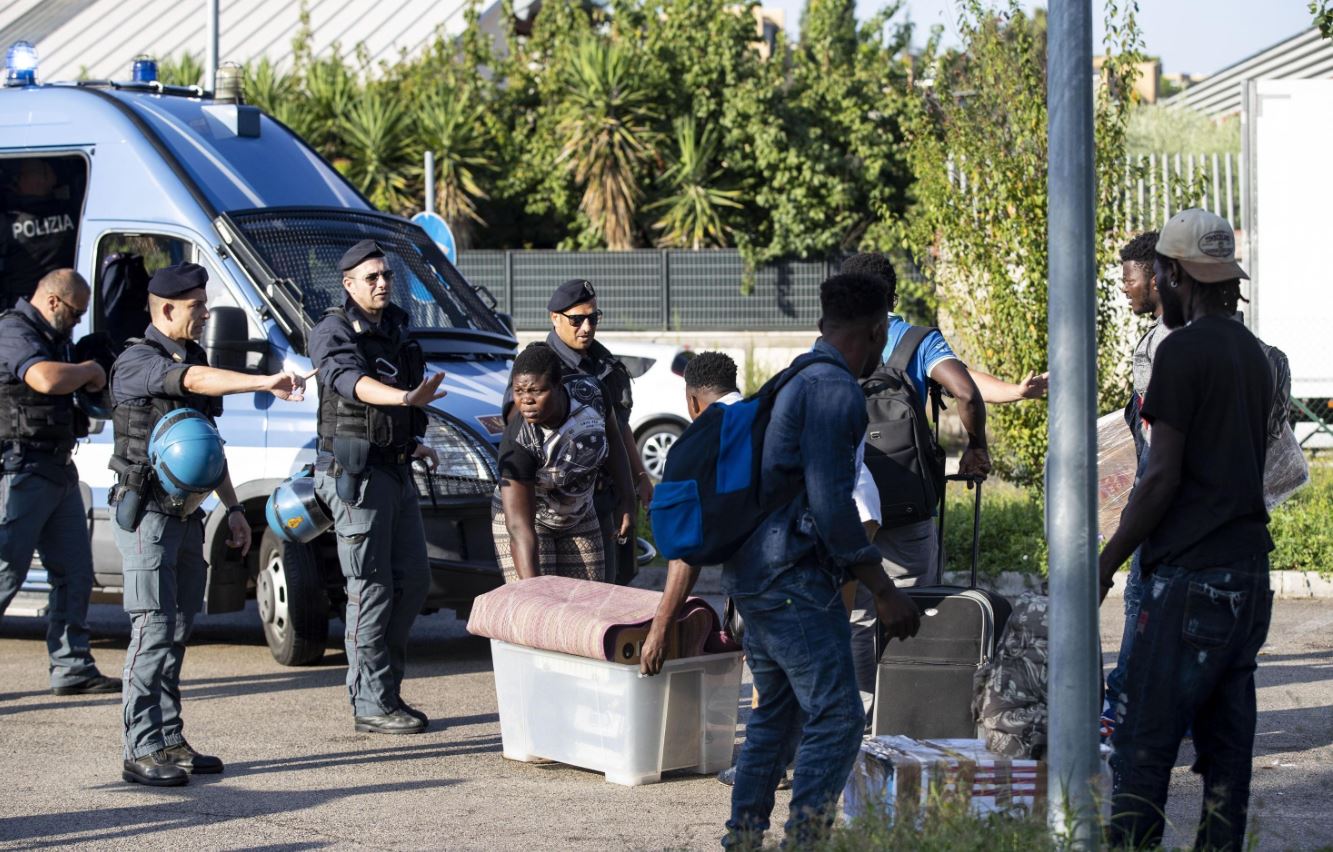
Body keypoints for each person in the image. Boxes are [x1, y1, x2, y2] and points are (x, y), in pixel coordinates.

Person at [721, 273, 921, 848]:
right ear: (879, 328)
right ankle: (803, 840)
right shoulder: (835, 392)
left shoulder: (792, 378)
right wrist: (883, 588)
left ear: (822, 324)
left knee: (776, 717)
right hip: (792, 581)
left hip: (755, 576)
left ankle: (743, 839)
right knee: (838, 718)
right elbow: (833, 506)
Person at [1097, 209, 1274, 850]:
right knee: (1227, 762)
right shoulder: (1254, 355)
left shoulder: (1183, 351)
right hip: (1250, 577)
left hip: (1193, 578)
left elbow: (1161, 477)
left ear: (1175, 276)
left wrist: (1106, 561)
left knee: (1143, 745)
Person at [109, 262, 306, 786]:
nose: (205, 315)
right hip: (147, 516)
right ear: (167, 309)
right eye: (197, 306)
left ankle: (169, 739)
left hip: (185, 516)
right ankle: (140, 748)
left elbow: (207, 444)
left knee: (175, 632)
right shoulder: (136, 361)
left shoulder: (193, 355)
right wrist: (266, 380)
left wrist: (234, 509)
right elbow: (191, 381)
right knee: (151, 630)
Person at [839, 251, 1047, 722]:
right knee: (911, 610)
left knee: (855, 618)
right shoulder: (917, 340)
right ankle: (901, 715)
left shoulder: (830, 342)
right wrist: (976, 445)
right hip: (908, 503)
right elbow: (966, 390)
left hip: (848, 506)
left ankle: (854, 719)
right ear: (893, 295)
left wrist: (1013, 389)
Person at [308, 239, 446, 737]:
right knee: (370, 589)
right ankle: (370, 701)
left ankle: (385, 692)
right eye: (371, 277)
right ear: (348, 284)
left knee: (411, 581)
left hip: (395, 468)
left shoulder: (397, 327)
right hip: (356, 477)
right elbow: (350, 384)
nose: (382, 283)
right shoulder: (333, 330)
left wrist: (414, 439)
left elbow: (408, 395)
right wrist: (404, 398)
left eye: (386, 275)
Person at [0, 270, 120, 695]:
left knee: (74, 573)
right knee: (5, 574)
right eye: (75, 313)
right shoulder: (13, 331)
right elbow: (45, 379)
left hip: (57, 469)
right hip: (20, 472)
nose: (77, 322)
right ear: (53, 301)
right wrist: (89, 369)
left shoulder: (54, 339)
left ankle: (72, 667)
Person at [514, 279, 654, 586]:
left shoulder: (604, 364)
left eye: (593, 317)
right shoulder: (538, 367)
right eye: (577, 320)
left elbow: (618, 426)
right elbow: (518, 441)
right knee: (556, 600)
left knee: (608, 589)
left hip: (602, 497)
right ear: (554, 318)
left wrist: (637, 479)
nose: (587, 327)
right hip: (549, 506)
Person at [493, 342, 633, 583]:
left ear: (559, 385)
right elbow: (519, 528)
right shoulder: (519, 441)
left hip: (578, 510)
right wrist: (532, 588)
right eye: (519, 391)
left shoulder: (591, 395)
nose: (526, 401)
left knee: (587, 603)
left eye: (536, 391)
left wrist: (628, 500)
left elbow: (614, 442)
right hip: (531, 519)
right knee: (538, 607)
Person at [1103, 230, 1167, 735]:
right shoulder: (1167, 335)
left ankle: (1121, 704)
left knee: (1141, 593)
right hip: (1163, 493)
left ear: (1158, 276)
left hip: (1161, 498)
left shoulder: (1167, 343)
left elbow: (1161, 444)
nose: (1125, 286)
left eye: (1130, 276)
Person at [1, 160, 80, 310]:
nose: (16, 180)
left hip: (21, 307)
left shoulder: (8, 221)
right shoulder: (71, 213)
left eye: (21, 175)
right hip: (63, 303)